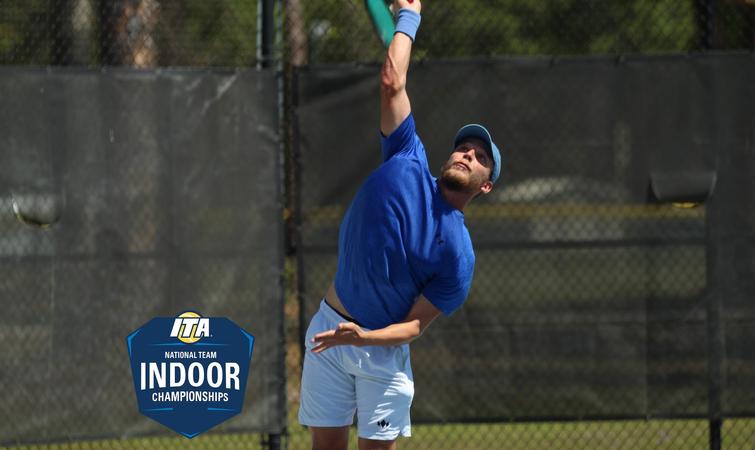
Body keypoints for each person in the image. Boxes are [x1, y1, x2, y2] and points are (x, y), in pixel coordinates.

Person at [297, 0, 502, 449]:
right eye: (464, 148)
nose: (467, 154)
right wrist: (409, 17)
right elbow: (392, 81)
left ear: (485, 186)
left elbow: (414, 326)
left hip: (381, 354)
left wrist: (366, 336)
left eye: (480, 157)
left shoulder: (458, 251)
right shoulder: (406, 158)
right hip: (327, 331)